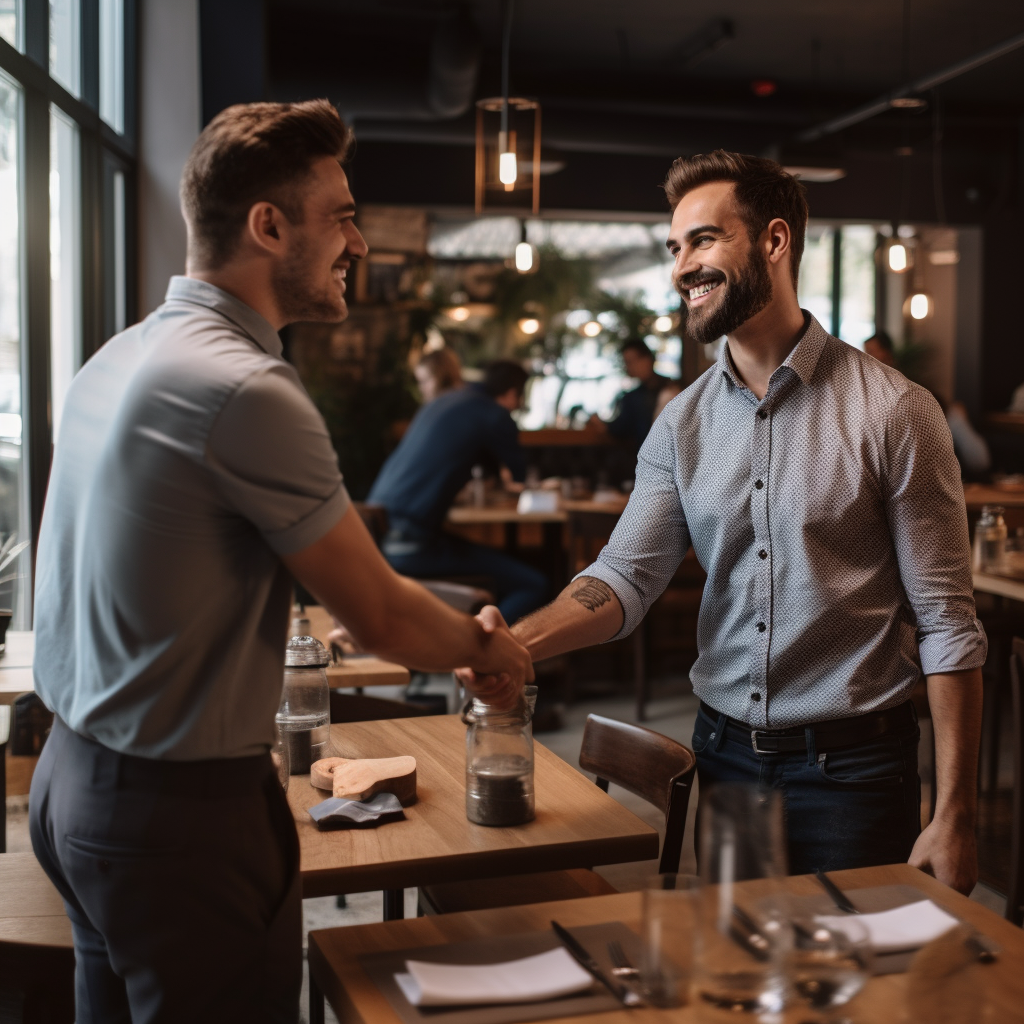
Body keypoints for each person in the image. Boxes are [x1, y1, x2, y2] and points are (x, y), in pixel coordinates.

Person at [29, 100, 532, 1024]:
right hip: (178, 816)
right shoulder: (247, 385)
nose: (359, 242)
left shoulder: (117, 356)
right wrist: (487, 647)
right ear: (268, 225)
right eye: (341, 215)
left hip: (72, 787)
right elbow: (379, 614)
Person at [463, 150, 987, 893]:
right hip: (723, 759)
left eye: (703, 241)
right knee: (740, 983)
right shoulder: (680, 426)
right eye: (674, 249)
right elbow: (623, 577)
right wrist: (517, 646)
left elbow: (947, 623)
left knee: (858, 995)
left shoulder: (896, 411)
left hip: (855, 772)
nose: (682, 267)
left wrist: (957, 810)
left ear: (774, 242)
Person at [368, 360, 548, 624]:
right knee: (534, 584)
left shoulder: (444, 401)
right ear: (512, 393)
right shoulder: (494, 414)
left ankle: (478, 649)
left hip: (383, 538)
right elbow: (518, 478)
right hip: (412, 545)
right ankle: (482, 657)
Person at [589, 338, 668, 448]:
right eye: (626, 363)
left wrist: (603, 426)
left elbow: (621, 429)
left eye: (630, 362)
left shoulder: (670, 390)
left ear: (648, 359)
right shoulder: (634, 395)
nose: (628, 367)